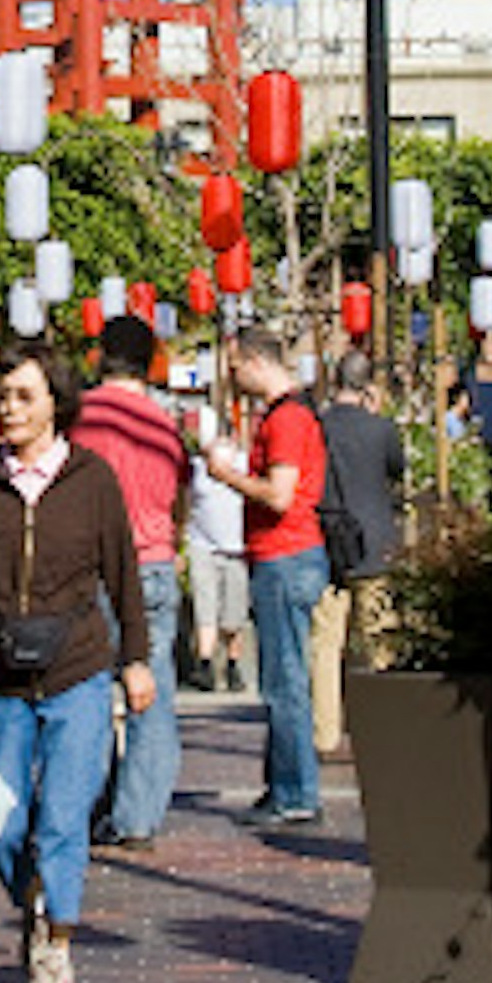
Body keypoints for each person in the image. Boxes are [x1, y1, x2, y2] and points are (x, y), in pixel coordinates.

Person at [0, 345, 150, 983]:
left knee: (62, 818)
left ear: (56, 402)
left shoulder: (93, 480)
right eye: (3, 397)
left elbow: (124, 576)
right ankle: (36, 899)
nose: (10, 409)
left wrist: (135, 659)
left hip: (77, 666)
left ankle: (54, 945)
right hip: (0, 675)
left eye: (24, 396)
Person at [74, 314, 192, 852]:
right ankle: (139, 815)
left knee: (89, 688)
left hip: (95, 564)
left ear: (101, 355)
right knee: (154, 689)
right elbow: (181, 495)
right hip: (157, 560)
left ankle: (86, 802)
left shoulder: (81, 416)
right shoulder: (164, 423)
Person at [203, 326, 328, 826]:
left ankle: (296, 791)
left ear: (256, 362)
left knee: (285, 679)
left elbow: (279, 494)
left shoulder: (287, 420)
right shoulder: (286, 415)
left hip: (285, 554)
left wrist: (226, 475)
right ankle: (284, 783)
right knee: (282, 675)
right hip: (283, 555)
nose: (232, 379)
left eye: (235, 368)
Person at [310, 351, 406, 760]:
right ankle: (383, 726)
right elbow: (396, 471)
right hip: (375, 542)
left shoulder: (319, 427)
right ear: (368, 387)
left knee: (325, 643)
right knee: (379, 639)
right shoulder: (381, 429)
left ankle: (325, 733)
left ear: (334, 382)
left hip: (328, 541)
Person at [182, 399, 251, 695]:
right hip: (203, 547)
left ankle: (233, 664)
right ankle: (207, 663)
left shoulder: (243, 464)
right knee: (205, 609)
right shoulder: (195, 469)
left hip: (236, 548)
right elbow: (184, 504)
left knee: (234, 614)